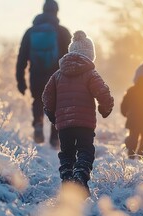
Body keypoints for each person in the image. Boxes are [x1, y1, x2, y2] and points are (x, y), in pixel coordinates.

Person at [42, 30, 114, 197]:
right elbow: (103, 92)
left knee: (66, 152)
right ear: (90, 56)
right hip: (85, 123)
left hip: (64, 124)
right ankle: (81, 175)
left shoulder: (57, 75)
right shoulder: (90, 73)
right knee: (85, 150)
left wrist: (51, 114)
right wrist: (105, 108)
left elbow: (47, 96)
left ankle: (67, 178)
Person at [16, 0, 71, 146]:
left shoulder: (30, 32)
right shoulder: (63, 32)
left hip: (36, 75)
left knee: (38, 101)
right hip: (57, 76)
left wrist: (20, 80)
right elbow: (71, 58)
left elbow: (22, 57)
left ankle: (38, 125)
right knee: (58, 105)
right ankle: (54, 137)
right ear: (56, 12)